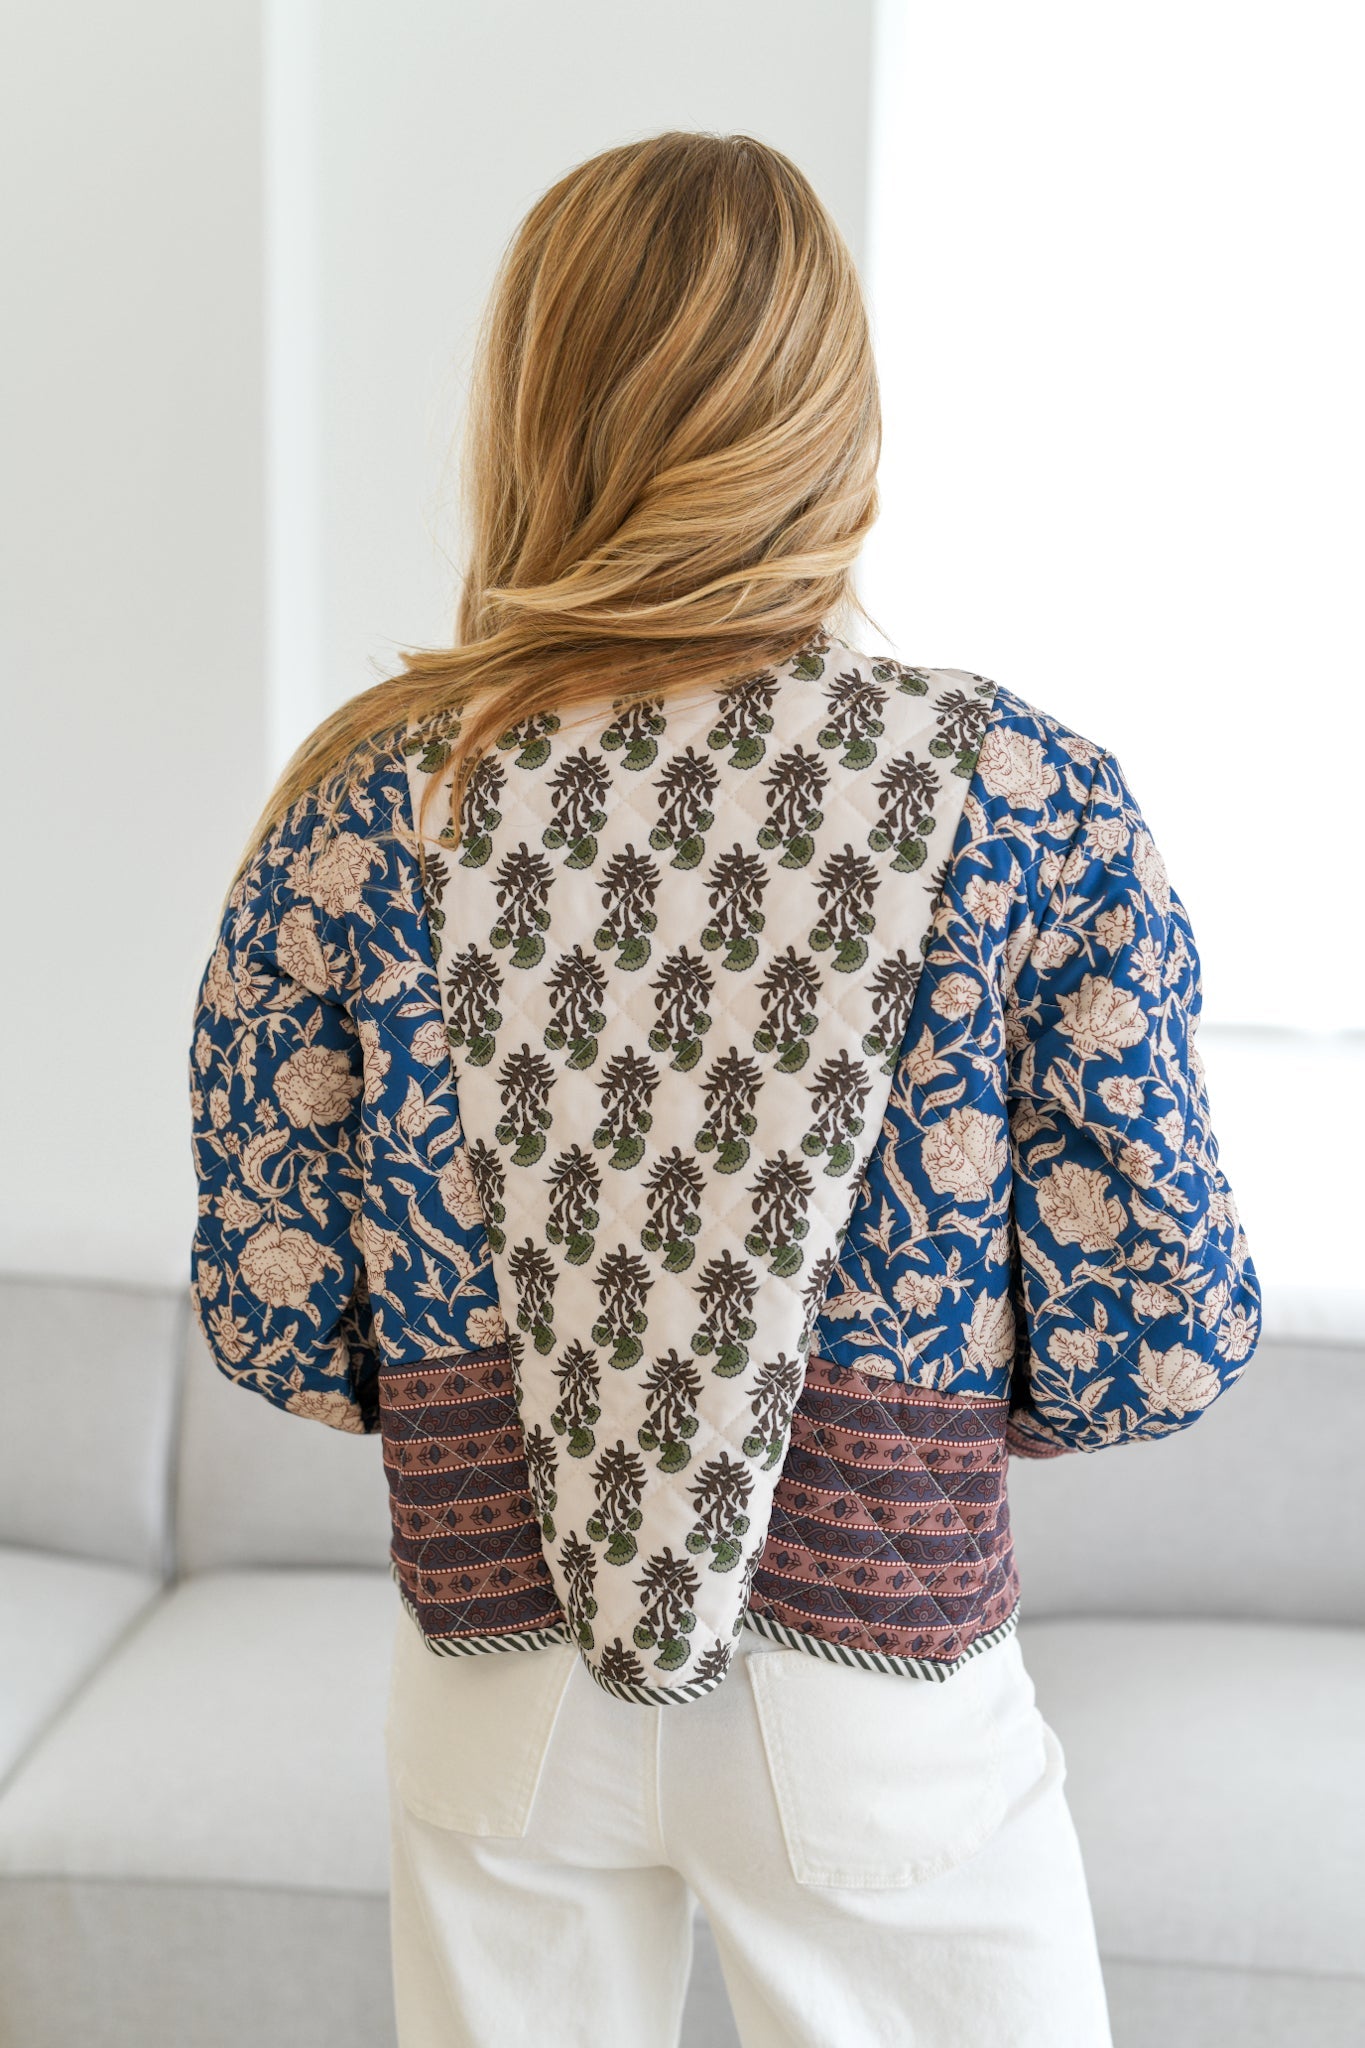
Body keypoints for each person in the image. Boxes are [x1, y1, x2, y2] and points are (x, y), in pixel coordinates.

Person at [187, 131, 1259, 2048]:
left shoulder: (368, 798)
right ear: (833, 425)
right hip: (874, 1686)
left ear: (529, 412)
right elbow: (1155, 1332)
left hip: (498, 1679)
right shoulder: (1019, 794)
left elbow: (280, 1314)